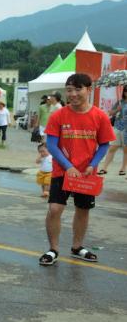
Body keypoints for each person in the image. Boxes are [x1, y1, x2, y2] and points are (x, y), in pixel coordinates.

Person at [39, 73, 115, 266]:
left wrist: (92, 165)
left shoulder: (100, 116)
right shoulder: (59, 115)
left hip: (87, 174)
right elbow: (53, 145)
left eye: (78, 89)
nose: (73, 94)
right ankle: (53, 249)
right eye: (69, 90)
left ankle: (77, 247)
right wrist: (68, 166)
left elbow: (104, 145)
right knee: (55, 209)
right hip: (61, 172)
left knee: (83, 210)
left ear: (89, 90)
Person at [97, 89, 127, 176]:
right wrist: (117, 110)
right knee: (112, 147)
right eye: (125, 91)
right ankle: (104, 168)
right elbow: (110, 113)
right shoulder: (120, 102)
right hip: (118, 127)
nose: (126, 93)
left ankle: (123, 169)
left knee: (126, 149)